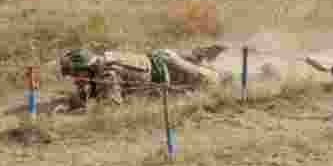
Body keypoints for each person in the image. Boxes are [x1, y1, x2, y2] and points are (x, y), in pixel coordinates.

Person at [58, 45, 226, 111]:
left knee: (215, 82)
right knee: (200, 61)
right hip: (161, 58)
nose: (75, 79)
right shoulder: (101, 63)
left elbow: (110, 107)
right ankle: (202, 55)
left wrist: (78, 111)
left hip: (169, 69)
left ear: (87, 68)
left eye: (76, 74)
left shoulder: (108, 75)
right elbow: (89, 92)